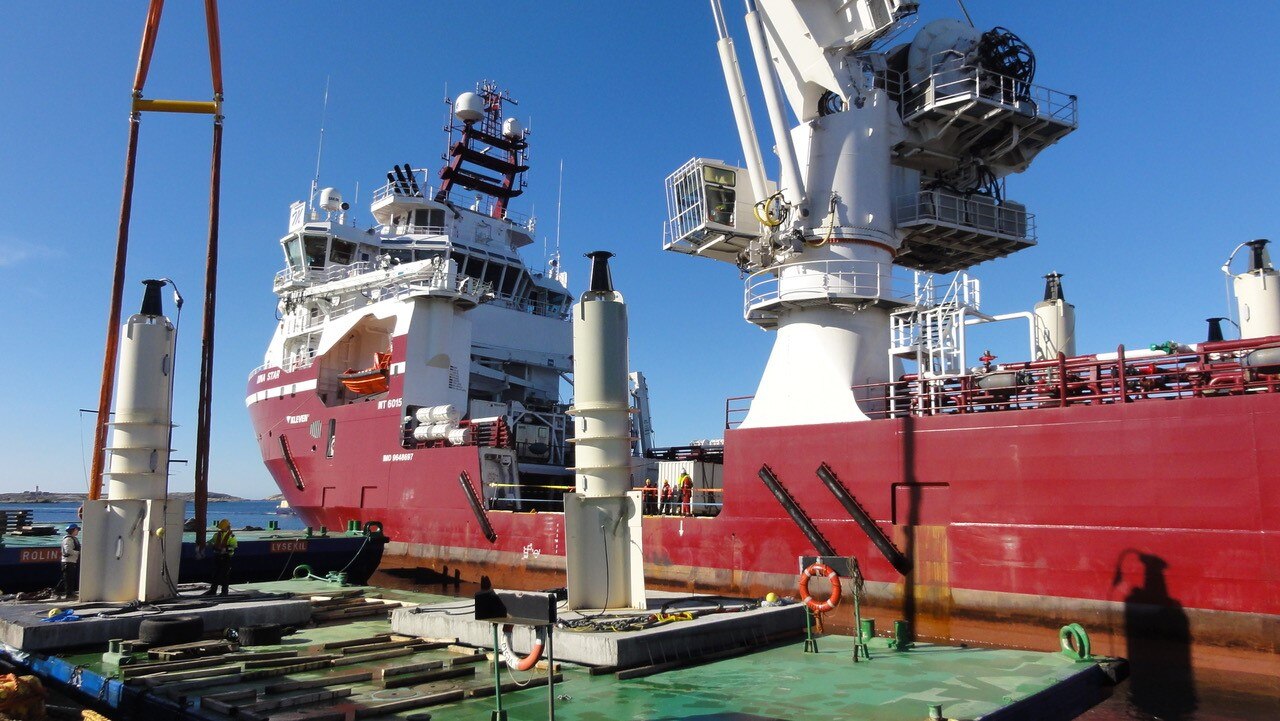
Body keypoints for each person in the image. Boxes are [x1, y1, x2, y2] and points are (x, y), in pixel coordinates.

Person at [204, 519, 238, 596]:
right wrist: (206, 544)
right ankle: (213, 591)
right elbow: (212, 541)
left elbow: (234, 546)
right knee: (215, 574)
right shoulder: (217, 535)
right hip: (217, 556)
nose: (221, 529)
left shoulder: (231, 536)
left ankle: (224, 592)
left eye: (223, 527)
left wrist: (226, 549)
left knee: (224, 575)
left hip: (226, 557)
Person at [57, 524, 81, 599]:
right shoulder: (68, 539)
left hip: (72, 561)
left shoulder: (73, 539)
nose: (78, 531)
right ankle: (67, 593)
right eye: (76, 530)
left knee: (70, 578)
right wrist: (78, 553)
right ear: (73, 530)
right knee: (67, 578)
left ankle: (70, 592)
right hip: (68, 561)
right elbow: (68, 550)